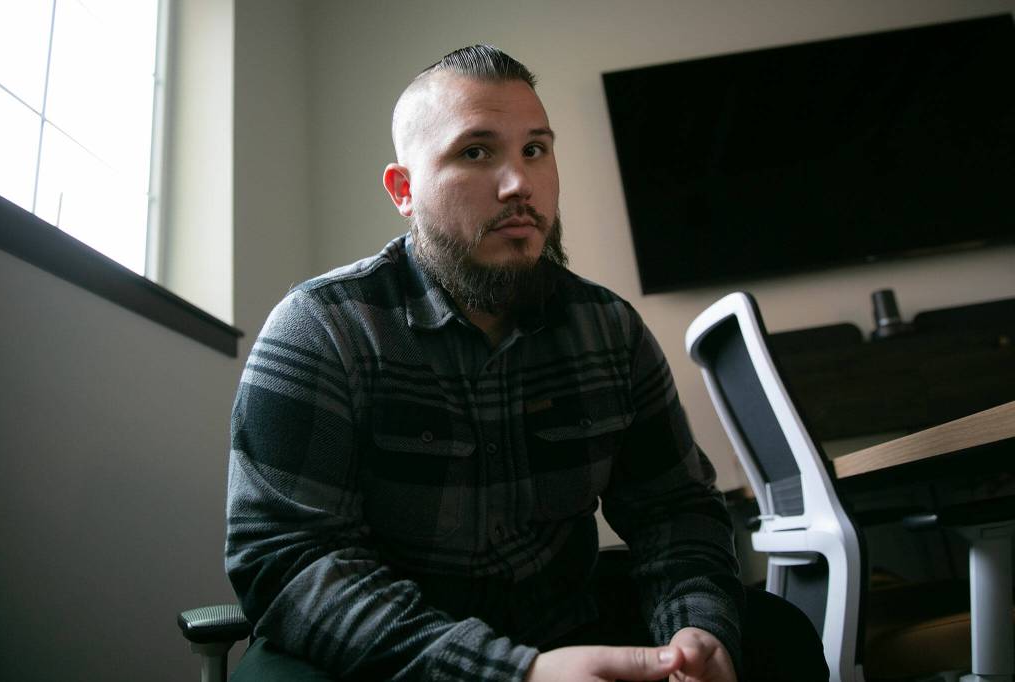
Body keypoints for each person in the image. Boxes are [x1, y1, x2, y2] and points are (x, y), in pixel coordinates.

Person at [225, 45, 827, 682]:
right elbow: (286, 559)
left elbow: (675, 511)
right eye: (476, 152)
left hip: (567, 620)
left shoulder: (611, 331)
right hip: (392, 647)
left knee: (775, 634)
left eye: (535, 150)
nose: (519, 185)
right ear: (404, 190)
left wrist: (694, 630)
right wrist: (516, 674)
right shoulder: (324, 327)